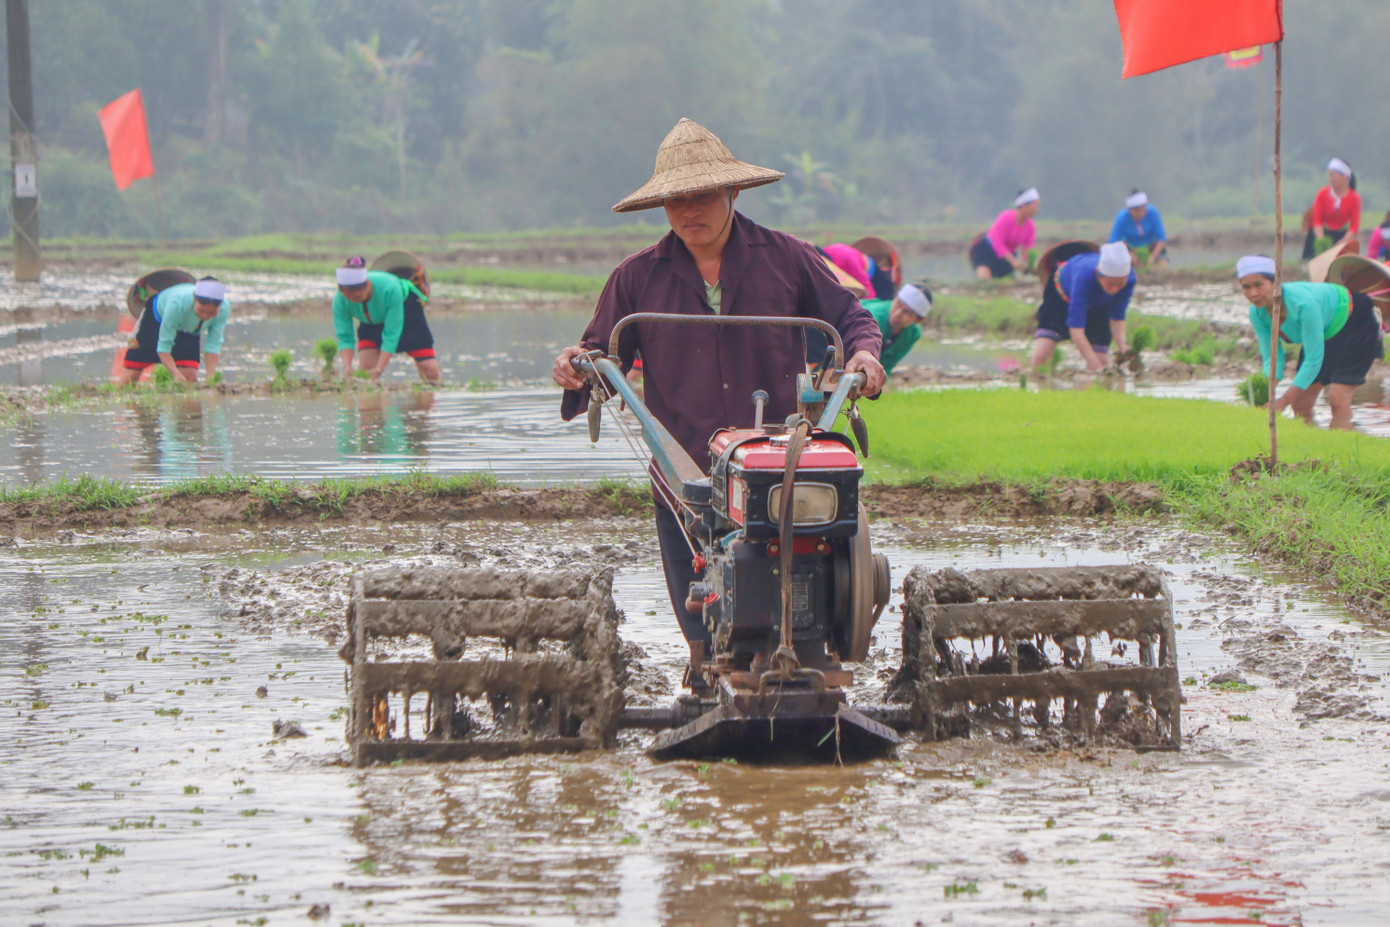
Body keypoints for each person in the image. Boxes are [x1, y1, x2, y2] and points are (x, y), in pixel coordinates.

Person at [552, 117, 884, 666]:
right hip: (685, 462)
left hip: (779, 454)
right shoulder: (636, 278)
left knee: (803, 562)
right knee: (699, 595)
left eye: (703, 196)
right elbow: (599, 356)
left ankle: (807, 650)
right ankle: (706, 661)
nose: (690, 211)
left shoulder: (787, 258)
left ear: (732, 190)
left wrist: (864, 357)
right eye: (677, 201)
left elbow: (851, 317)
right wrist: (576, 367)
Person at [1237, 255, 1384, 430]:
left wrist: (1283, 400)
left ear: (1275, 282)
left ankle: (1345, 449)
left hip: (1356, 321)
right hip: (1323, 332)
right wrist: (1267, 392)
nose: (1253, 293)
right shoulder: (1257, 313)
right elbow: (1272, 357)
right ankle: (1313, 451)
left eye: (1258, 285)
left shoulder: (1303, 304)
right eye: (1246, 287)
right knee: (1299, 405)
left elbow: (1313, 358)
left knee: (1337, 401)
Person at [331, 256, 440, 383]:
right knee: (366, 370)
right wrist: (347, 367)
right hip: (370, 320)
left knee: (430, 371)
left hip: (406, 311)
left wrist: (379, 368)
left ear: (367, 284)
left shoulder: (390, 290)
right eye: (348, 298)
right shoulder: (340, 301)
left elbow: (391, 334)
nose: (352, 301)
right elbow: (345, 337)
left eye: (356, 297)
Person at [1031, 241, 1135, 372]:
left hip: (1099, 306)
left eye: (1120, 284)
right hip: (1060, 299)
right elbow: (1076, 330)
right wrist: (1096, 367)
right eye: (1110, 283)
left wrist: (1122, 346)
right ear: (1099, 274)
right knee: (1041, 358)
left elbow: (1117, 316)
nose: (1115, 289)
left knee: (1102, 360)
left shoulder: (1130, 279)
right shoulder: (1083, 276)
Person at [119, 275, 230, 385]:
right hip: (156, 319)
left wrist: (210, 376)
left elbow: (213, 344)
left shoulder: (224, 309)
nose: (205, 316)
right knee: (134, 368)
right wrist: (175, 374)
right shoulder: (176, 305)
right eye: (201, 310)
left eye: (212, 313)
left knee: (190, 377)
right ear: (194, 299)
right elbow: (163, 347)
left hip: (190, 328)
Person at [970, 189, 1039, 279]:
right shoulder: (1006, 217)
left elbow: (1028, 249)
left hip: (1007, 254)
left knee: (1007, 280)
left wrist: (1027, 264)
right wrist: (1013, 261)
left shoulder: (1030, 227)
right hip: (987, 250)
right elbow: (997, 242)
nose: (1036, 209)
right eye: (1035, 205)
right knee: (984, 276)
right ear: (1023, 205)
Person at [865, 283, 931, 376]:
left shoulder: (913, 333)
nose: (897, 313)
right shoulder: (873, 319)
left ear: (919, 320)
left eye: (907, 312)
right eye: (898, 304)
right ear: (894, 299)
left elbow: (888, 364)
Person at [1303, 158, 1361, 260]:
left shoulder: (1354, 197)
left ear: (1344, 177)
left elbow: (1354, 225)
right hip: (1322, 233)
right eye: (1329, 176)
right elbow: (1317, 220)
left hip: (1341, 236)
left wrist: (1343, 241)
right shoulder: (1322, 194)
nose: (1331, 179)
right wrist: (1321, 241)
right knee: (1312, 247)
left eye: (1333, 175)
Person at [1109, 190, 1167, 266]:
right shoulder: (1122, 218)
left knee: (1162, 264)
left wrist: (1152, 257)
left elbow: (1161, 238)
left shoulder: (1153, 213)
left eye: (1143, 209)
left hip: (1151, 247)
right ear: (1130, 210)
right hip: (1131, 248)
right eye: (1137, 210)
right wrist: (1129, 254)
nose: (1141, 213)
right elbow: (1113, 241)